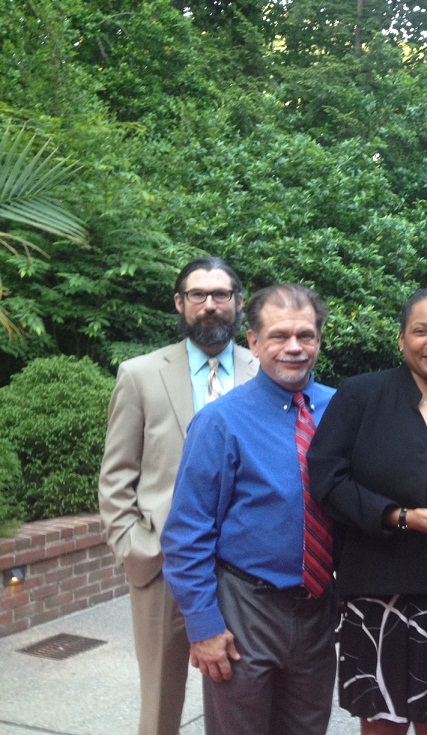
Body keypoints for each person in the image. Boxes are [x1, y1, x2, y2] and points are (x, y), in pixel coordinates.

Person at [307, 288, 427, 735]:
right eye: (421, 331)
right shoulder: (361, 396)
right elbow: (326, 481)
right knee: (382, 723)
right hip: (378, 592)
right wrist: (397, 516)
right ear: (401, 340)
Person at [161, 284, 338, 735]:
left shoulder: (341, 412)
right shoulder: (220, 422)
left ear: (320, 339)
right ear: (254, 343)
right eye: (279, 336)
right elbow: (186, 534)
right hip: (244, 608)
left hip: (319, 608)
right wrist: (203, 626)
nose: (294, 348)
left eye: (306, 335)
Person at [98, 256, 257, 735]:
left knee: (243, 695)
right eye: (197, 296)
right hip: (164, 562)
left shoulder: (265, 370)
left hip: (246, 568)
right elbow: (116, 475)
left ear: (239, 302)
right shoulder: (140, 374)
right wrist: (135, 549)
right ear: (179, 303)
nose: (210, 306)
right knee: (161, 704)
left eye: (221, 295)